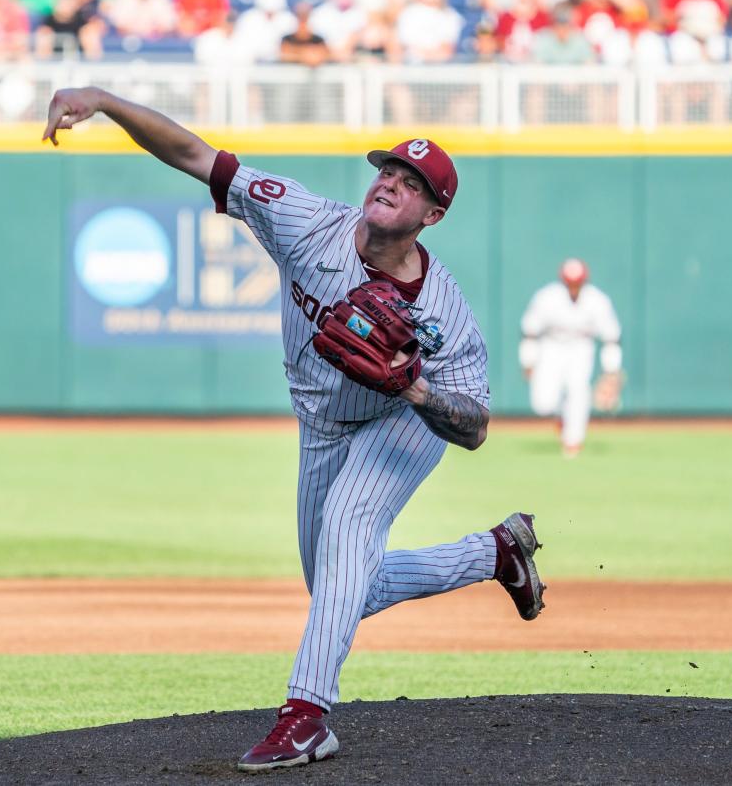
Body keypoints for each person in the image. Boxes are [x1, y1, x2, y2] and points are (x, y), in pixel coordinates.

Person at [41, 89, 547, 772]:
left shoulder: (442, 309)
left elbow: (477, 426)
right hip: (320, 425)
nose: (391, 183)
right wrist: (103, 101)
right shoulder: (305, 221)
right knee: (342, 588)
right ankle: (494, 554)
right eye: (389, 171)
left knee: (347, 533)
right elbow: (196, 155)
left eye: (412, 184)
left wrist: (413, 386)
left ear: (433, 214)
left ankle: (306, 718)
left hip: (400, 421)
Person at [519, 258, 623, 459]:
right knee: (542, 403)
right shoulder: (547, 297)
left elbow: (611, 337)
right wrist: (528, 361)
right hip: (551, 347)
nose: (574, 287)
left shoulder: (597, 300)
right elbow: (529, 331)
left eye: (577, 282)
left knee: (578, 389)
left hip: (581, 349)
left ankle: (573, 440)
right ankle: (562, 417)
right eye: (570, 282)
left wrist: (611, 370)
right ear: (564, 281)